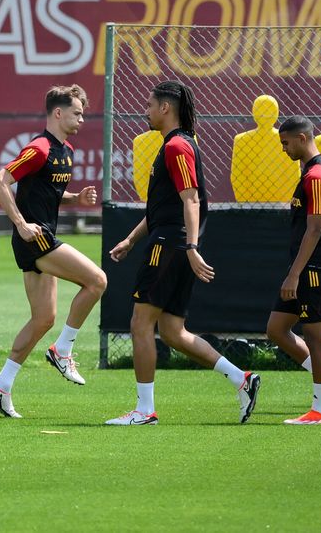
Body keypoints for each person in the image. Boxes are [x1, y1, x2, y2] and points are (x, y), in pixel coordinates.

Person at [105, 81, 260, 426]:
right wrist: (130, 240)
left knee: (140, 322)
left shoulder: (177, 146)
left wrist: (190, 246)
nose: (145, 111)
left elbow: (191, 199)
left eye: (149, 105)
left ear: (165, 108)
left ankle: (144, 411)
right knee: (173, 332)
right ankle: (242, 379)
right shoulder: (174, 145)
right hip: (172, 240)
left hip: (171, 244)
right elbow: (163, 207)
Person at [0, 84, 106, 419]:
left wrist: (75, 199)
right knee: (97, 280)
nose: (81, 118)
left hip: (41, 235)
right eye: (77, 112)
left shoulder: (65, 150)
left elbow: (46, 192)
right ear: (58, 113)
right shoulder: (39, 148)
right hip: (35, 238)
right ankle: (63, 350)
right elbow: (0, 182)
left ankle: (2, 384)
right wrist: (22, 224)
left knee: (43, 319)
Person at [265, 116, 321, 425]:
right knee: (276, 328)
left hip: (315, 265)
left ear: (301, 138)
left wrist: (294, 274)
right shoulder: (311, 172)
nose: (283, 148)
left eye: (285, 143)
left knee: (315, 336)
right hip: (305, 264)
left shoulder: (317, 175)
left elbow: (315, 230)